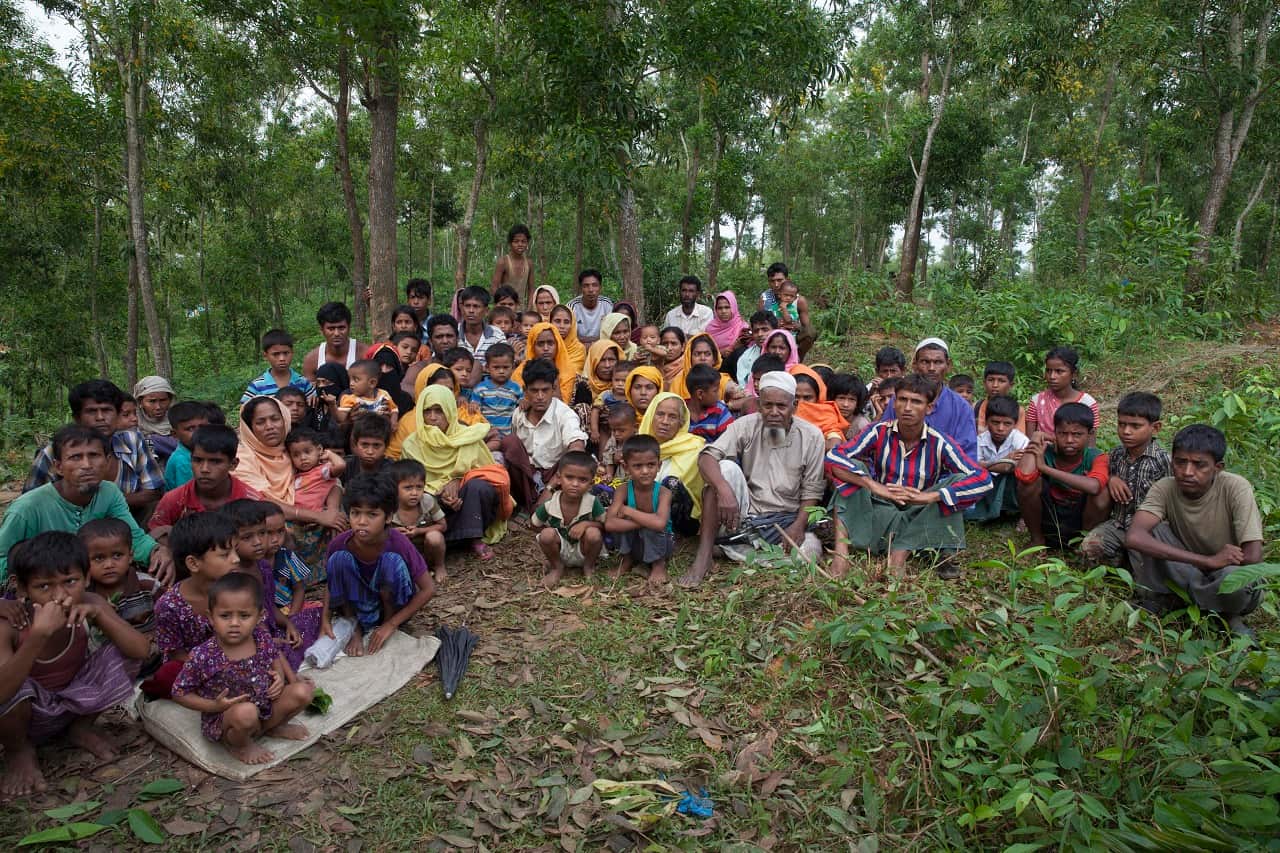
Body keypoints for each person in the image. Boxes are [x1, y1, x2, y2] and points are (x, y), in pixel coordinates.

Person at [0, 532, 149, 797]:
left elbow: (141, 650)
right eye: (44, 586)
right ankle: (18, 750)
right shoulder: (10, 626)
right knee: (13, 683)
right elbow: (2, 693)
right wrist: (37, 636)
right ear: (22, 589)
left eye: (70, 581)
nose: (60, 595)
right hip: (24, 716)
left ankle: (79, 728)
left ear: (87, 578)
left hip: (73, 704)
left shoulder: (90, 602)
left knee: (120, 650)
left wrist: (101, 613)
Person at [827, 373, 992, 579]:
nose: (907, 408)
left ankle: (898, 556)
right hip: (881, 511)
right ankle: (841, 554)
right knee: (851, 469)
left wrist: (928, 497)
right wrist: (873, 485)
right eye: (902, 400)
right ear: (894, 404)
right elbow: (834, 457)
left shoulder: (939, 441)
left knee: (956, 483)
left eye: (916, 402)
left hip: (920, 514)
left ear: (929, 408)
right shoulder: (878, 432)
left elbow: (983, 479)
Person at [682, 372, 826, 587]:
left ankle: (734, 549)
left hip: (786, 521)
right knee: (725, 469)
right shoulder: (747, 425)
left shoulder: (812, 436)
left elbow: (812, 490)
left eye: (781, 406)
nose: (774, 412)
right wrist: (724, 490)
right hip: (745, 516)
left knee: (808, 554)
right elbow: (706, 457)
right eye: (768, 405)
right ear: (759, 404)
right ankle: (704, 557)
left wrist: (798, 526)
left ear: (794, 406)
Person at [1124, 424, 1264, 636]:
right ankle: (1218, 613)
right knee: (1154, 532)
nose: (1188, 472)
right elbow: (1134, 537)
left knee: (1235, 579)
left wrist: (1216, 565)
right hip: (1188, 568)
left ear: (1218, 467)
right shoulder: (1165, 487)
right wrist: (1206, 561)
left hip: (1223, 572)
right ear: (1172, 462)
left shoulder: (1235, 487)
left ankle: (1185, 602)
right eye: (1181, 462)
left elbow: (1253, 557)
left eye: (1200, 465)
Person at [0, 426, 173, 586]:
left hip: (95, 579)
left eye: (94, 456)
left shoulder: (109, 492)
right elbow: (2, 560)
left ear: (107, 461)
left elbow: (132, 536)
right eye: (75, 457)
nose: (87, 465)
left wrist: (156, 551)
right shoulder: (27, 508)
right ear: (58, 467)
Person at [171, 572, 314, 765]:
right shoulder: (204, 655)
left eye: (244, 615)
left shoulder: (261, 638)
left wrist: (279, 679)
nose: (234, 623)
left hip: (265, 707)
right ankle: (240, 745)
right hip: (229, 719)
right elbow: (179, 692)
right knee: (245, 713)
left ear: (259, 616)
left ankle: (272, 727)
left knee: (303, 691)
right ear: (211, 617)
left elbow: (274, 659)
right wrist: (214, 706)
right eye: (225, 615)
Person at [325, 474, 436, 657]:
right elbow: (331, 584)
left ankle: (387, 623)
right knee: (338, 559)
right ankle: (354, 627)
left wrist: (391, 624)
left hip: (391, 608)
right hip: (357, 605)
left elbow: (428, 589)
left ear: (388, 517)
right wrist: (325, 619)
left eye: (372, 514)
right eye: (355, 513)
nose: (361, 521)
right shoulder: (339, 544)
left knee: (390, 562)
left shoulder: (399, 543)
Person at [236, 396, 348, 570]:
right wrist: (318, 516)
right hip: (272, 519)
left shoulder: (295, 449)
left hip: (309, 510)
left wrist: (331, 511)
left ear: (284, 419)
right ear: (250, 428)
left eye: (275, 419)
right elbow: (262, 503)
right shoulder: (243, 459)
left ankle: (333, 571)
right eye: (260, 422)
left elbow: (332, 479)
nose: (270, 426)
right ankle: (288, 579)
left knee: (339, 515)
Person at [25, 380, 164, 518]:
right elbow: (31, 504)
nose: (100, 418)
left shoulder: (133, 441)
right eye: (91, 411)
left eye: (107, 410)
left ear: (117, 414)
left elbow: (154, 492)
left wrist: (104, 504)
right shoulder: (52, 452)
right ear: (77, 418)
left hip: (127, 523)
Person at [401, 386, 509, 560]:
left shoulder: (468, 437)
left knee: (479, 487)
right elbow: (409, 479)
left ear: (450, 411)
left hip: (467, 500)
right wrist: (441, 492)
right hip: (433, 499)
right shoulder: (411, 444)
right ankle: (445, 539)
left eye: (439, 411)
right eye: (427, 411)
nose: (432, 417)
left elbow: (487, 471)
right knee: (421, 498)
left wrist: (459, 480)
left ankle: (473, 538)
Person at [144, 512, 241, 699]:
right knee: (168, 675)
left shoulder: (238, 589)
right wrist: (216, 669)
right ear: (194, 563)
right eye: (225, 554)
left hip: (236, 656)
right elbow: (175, 654)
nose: (236, 559)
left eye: (235, 550)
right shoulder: (170, 605)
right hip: (193, 666)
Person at [1081, 392, 1169, 573]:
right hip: (1119, 524)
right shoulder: (1116, 455)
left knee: (1147, 574)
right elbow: (1094, 475)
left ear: (1156, 428)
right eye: (1122, 424)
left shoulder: (1163, 461)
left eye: (1135, 426)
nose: (1126, 431)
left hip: (1149, 531)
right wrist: (1111, 479)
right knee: (1089, 549)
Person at [1015, 402, 1108, 550]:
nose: (1069, 440)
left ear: (1090, 434)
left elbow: (1094, 486)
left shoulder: (1096, 457)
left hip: (1080, 519)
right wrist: (1035, 438)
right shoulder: (1046, 451)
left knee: (1103, 493)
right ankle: (1037, 540)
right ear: (1054, 432)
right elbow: (1024, 476)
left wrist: (1045, 468)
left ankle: (1083, 543)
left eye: (1077, 434)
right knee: (1027, 485)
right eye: (1063, 433)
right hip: (1049, 517)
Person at [501, 359, 588, 511]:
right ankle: (527, 504)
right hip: (526, 478)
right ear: (525, 390)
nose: (540, 396)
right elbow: (515, 455)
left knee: (573, 459)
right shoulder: (519, 414)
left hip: (554, 476)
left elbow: (577, 447)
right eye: (534, 391)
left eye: (545, 390)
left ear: (553, 389)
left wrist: (552, 485)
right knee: (509, 442)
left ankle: (541, 504)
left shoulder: (565, 414)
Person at [149, 425, 261, 541]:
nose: (204, 469)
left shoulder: (252, 501)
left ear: (233, 464)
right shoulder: (174, 500)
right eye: (197, 460)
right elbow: (156, 536)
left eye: (215, 461)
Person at [878, 338, 978, 459]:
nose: (931, 368)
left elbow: (967, 455)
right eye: (925, 361)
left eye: (938, 362)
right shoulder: (900, 399)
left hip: (945, 474)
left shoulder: (961, 407)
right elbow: (883, 439)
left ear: (948, 365)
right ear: (915, 364)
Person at [604, 436, 675, 588]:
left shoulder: (663, 493)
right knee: (632, 525)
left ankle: (658, 564)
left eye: (651, 465)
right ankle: (626, 560)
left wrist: (628, 511)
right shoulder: (622, 490)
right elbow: (609, 523)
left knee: (652, 527)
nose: (645, 471)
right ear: (626, 468)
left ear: (659, 465)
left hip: (662, 543)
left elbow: (660, 523)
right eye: (637, 466)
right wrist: (642, 522)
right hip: (636, 542)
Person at [532, 451, 606, 587]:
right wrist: (552, 538)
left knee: (593, 533)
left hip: (584, 549)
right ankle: (557, 567)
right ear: (559, 478)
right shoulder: (550, 504)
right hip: (560, 551)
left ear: (591, 484)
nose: (575, 484)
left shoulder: (592, 502)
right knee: (546, 535)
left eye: (582, 480)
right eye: (569, 478)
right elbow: (535, 524)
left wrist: (586, 524)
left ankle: (589, 567)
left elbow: (604, 525)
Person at [638, 393, 707, 535]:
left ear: (681, 422)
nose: (665, 421)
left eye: (672, 417)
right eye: (660, 414)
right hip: (644, 509)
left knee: (671, 484)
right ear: (651, 416)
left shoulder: (694, 446)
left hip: (684, 519)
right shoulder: (639, 444)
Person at [79, 517, 160, 639]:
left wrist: (155, 636)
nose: (109, 565)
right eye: (99, 558)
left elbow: (170, 616)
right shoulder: (84, 593)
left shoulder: (148, 585)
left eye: (117, 555)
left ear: (130, 556)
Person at [963, 395, 1029, 522]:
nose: (1000, 428)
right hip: (988, 486)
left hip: (1011, 486)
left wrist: (985, 465)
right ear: (987, 422)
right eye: (995, 422)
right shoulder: (980, 440)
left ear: (1014, 424)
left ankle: (1020, 514)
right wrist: (1005, 459)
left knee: (1021, 476)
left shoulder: (1020, 439)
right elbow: (972, 466)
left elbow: (1013, 467)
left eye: (1007, 424)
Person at [387, 459, 448, 585]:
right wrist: (393, 532)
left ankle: (438, 566)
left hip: (426, 552)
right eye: (408, 488)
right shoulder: (388, 507)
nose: (414, 493)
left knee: (435, 537)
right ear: (394, 488)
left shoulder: (427, 501)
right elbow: (377, 532)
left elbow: (443, 526)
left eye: (419, 487)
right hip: (402, 555)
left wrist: (419, 531)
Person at [1024, 346, 1099, 440]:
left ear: (1074, 374)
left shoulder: (1088, 403)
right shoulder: (1037, 401)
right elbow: (1030, 441)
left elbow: (1090, 445)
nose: (1052, 376)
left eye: (1059, 371)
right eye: (1048, 371)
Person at [511, 322, 581, 405]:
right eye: (540, 344)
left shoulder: (567, 371)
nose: (546, 348)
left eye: (550, 343)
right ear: (532, 347)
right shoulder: (520, 372)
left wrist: (553, 374)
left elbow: (561, 406)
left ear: (557, 344)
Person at [243, 330, 316, 405]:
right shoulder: (257, 385)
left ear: (292, 352)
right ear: (265, 356)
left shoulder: (303, 382)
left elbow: (315, 407)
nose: (282, 358)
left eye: (286, 353)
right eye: (276, 354)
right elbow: (244, 411)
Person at [286, 427, 345, 517]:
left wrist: (329, 454)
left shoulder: (323, 471)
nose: (303, 458)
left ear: (319, 449)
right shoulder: (295, 474)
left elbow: (340, 466)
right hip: (296, 517)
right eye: (296, 455)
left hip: (316, 518)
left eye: (307, 452)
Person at [759, 264, 814, 358]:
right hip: (771, 334)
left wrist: (796, 326)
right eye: (772, 281)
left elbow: (806, 326)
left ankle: (797, 358)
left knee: (810, 333)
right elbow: (759, 322)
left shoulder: (799, 300)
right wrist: (774, 325)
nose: (776, 284)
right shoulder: (764, 298)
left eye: (779, 280)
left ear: (787, 279)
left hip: (792, 334)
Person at [469, 342, 522, 439]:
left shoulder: (516, 388)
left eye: (506, 367)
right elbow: (475, 409)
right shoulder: (480, 389)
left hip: (508, 435)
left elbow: (522, 403)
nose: (501, 371)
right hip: (487, 435)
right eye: (496, 367)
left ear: (513, 367)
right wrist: (473, 405)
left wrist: (524, 402)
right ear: (487, 368)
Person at [789, 365, 849, 450]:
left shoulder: (825, 414)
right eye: (796, 397)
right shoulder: (777, 410)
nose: (801, 402)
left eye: (807, 398)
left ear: (818, 397)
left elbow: (833, 444)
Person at [456, 286, 506, 384]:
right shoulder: (453, 332)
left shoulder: (497, 334)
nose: (471, 310)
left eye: (476, 306)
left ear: (486, 311)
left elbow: (504, 364)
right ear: (462, 309)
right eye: (467, 306)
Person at [302, 302, 361, 382]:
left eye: (341, 328)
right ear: (322, 330)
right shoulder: (312, 360)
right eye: (331, 329)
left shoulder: (363, 354)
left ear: (349, 327)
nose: (336, 333)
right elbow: (309, 393)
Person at [580, 340, 623, 446]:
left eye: (611, 360)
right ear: (593, 360)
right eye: (602, 360)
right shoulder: (583, 386)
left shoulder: (628, 384)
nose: (607, 365)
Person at [163, 400, 212, 490]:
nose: (198, 433)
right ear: (175, 434)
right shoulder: (182, 461)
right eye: (190, 429)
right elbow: (189, 497)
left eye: (203, 427)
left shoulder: (202, 452)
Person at [338, 360, 398, 431]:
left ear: (372, 383)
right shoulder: (349, 399)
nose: (351, 383)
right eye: (350, 380)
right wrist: (332, 404)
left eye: (356, 380)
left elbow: (394, 410)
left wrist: (393, 421)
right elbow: (340, 419)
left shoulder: (384, 395)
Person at [134, 376, 178, 462]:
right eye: (152, 401)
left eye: (163, 400)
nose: (158, 407)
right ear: (140, 402)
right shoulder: (132, 421)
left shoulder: (179, 419)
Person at [731, 311, 780, 389]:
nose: (760, 334)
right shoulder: (746, 357)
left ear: (775, 330)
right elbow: (742, 386)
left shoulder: (783, 353)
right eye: (756, 331)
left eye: (765, 329)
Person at [686, 365, 734, 441]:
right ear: (700, 394)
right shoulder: (680, 411)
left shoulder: (720, 411)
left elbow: (728, 443)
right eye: (715, 391)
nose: (718, 394)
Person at [343, 413, 394, 486]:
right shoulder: (345, 466)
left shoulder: (393, 471)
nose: (370, 452)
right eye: (364, 445)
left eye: (376, 445)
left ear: (386, 446)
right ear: (355, 444)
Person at [975, 361, 1024, 433]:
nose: (995, 385)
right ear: (984, 383)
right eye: (991, 380)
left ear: (1011, 385)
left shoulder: (1018, 411)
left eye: (1001, 381)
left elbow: (1020, 440)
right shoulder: (976, 407)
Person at [568, 269, 614, 345]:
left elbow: (612, 332)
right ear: (580, 288)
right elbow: (569, 335)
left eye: (594, 285)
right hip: (578, 347)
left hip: (602, 346)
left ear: (600, 287)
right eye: (586, 286)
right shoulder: (572, 306)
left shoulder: (607, 304)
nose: (591, 290)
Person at [492, 224, 535, 305]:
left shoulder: (529, 263)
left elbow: (531, 289)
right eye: (516, 241)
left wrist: (529, 308)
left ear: (527, 243)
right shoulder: (503, 262)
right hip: (505, 308)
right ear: (510, 243)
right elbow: (494, 287)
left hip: (522, 308)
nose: (520, 244)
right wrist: (502, 304)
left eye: (523, 241)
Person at [704, 290, 751, 357]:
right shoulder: (710, 328)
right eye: (720, 308)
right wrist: (720, 353)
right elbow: (705, 351)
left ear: (733, 307)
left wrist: (733, 349)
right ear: (715, 309)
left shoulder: (743, 327)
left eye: (727, 307)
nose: (723, 311)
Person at [549, 304, 588, 376]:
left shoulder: (578, 349)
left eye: (566, 322)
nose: (562, 326)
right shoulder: (544, 345)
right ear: (550, 322)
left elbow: (573, 374)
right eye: (557, 321)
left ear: (572, 324)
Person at [828, 373, 871, 438]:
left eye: (852, 399)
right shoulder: (826, 418)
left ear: (858, 403)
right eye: (841, 398)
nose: (846, 404)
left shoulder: (861, 425)